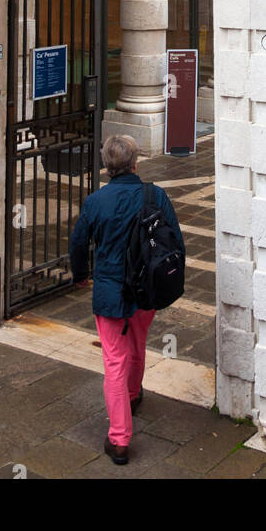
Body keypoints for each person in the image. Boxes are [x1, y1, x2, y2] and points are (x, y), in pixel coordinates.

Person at [69, 134, 185, 466]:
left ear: (107, 167)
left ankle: (119, 439)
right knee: (137, 344)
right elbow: (175, 241)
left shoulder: (95, 202)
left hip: (109, 294)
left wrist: (80, 275)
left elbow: (78, 244)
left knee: (114, 361)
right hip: (145, 289)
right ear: (135, 163)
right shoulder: (156, 195)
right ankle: (133, 395)